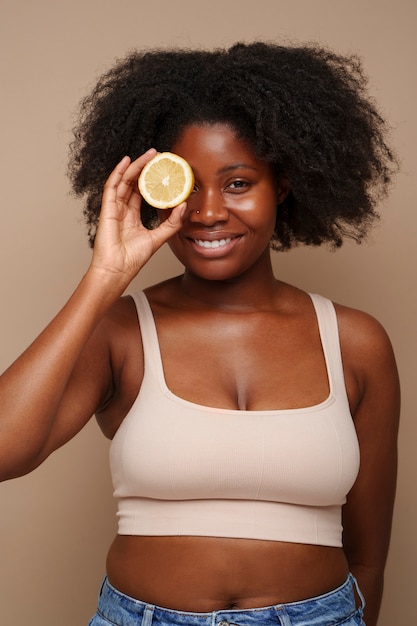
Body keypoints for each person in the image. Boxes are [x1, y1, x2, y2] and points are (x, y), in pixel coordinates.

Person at [0, 42, 400, 626]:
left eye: (238, 183)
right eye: (187, 187)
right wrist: (103, 280)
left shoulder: (357, 343)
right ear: (154, 192)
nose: (209, 211)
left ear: (282, 185)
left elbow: (368, 556)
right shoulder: (119, 332)